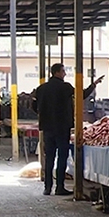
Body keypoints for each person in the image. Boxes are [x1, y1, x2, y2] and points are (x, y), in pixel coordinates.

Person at [34, 63, 74, 196]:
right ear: (57, 72)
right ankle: (60, 187)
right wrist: (93, 85)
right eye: (63, 71)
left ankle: (47, 187)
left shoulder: (41, 88)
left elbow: (33, 104)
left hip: (47, 128)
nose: (65, 74)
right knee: (62, 157)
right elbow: (82, 95)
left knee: (49, 158)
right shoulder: (65, 88)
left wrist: (43, 115)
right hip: (62, 128)